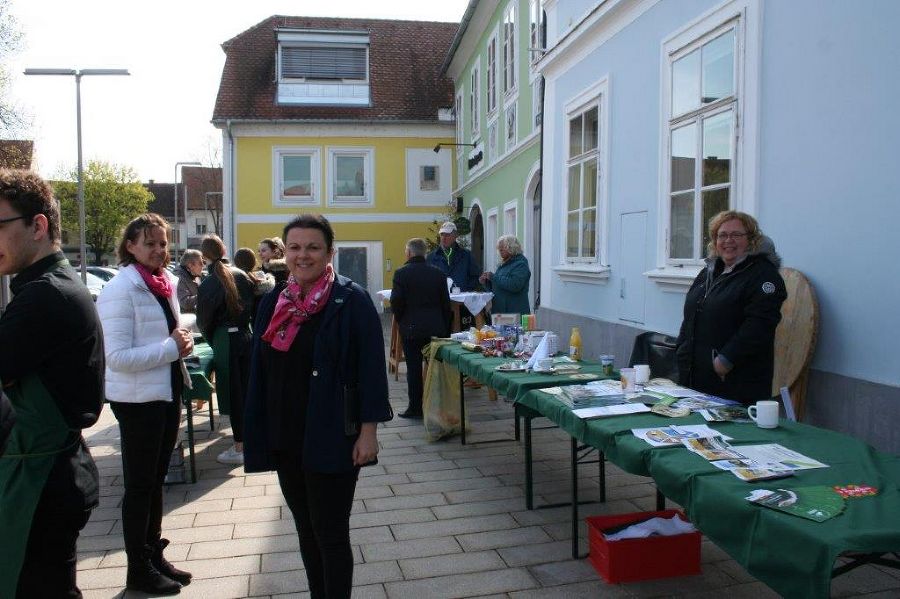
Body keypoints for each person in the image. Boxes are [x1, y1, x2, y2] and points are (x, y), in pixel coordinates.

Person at [244, 214, 393, 599]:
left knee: (330, 533)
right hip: (285, 434)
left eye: (313, 247)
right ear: (285, 251)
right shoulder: (274, 301)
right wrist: (255, 428)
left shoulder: (351, 300)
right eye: (294, 247)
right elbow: (260, 370)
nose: (302, 255)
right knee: (305, 531)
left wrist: (369, 432)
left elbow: (373, 371)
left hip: (333, 435)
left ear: (330, 252)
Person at [0, 169, 105, 598]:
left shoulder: (47, 294)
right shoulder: (43, 287)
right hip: (47, 473)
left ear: (38, 226)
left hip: (42, 481)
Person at [97, 213, 194, 595]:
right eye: (150, 243)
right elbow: (116, 356)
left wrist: (180, 338)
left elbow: (163, 332)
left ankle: (153, 554)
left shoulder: (162, 282)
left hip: (164, 392)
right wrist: (171, 347)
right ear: (131, 246)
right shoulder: (121, 288)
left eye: (163, 243)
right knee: (140, 486)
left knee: (155, 484)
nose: (158, 250)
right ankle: (137, 568)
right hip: (138, 401)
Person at [676, 210, 787, 405]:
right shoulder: (709, 271)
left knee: (728, 433)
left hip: (735, 381)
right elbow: (692, 314)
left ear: (751, 239)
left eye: (736, 235)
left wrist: (725, 361)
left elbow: (760, 325)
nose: (729, 240)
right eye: (722, 235)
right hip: (695, 377)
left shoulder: (763, 275)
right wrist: (682, 350)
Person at [197, 235, 255, 465]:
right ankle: (248, 441)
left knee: (235, 395)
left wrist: (213, 340)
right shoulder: (241, 275)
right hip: (245, 337)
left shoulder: (210, 281)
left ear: (204, 256)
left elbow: (204, 321)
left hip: (226, 341)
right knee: (247, 393)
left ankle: (240, 446)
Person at [391, 238, 452, 419]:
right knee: (435, 368)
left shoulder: (401, 273)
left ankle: (415, 408)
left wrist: (402, 320)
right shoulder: (438, 274)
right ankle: (438, 406)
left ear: (409, 253)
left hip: (412, 328)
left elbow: (396, 302)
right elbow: (445, 304)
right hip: (436, 328)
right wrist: (445, 328)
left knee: (414, 368)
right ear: (424, 253)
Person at [479, 234, 531, 315]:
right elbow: (498, 286)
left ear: (511, 248)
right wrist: (486, 282)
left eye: (502, 249)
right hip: (500, 312)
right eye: (499, 249)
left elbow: (515, 285)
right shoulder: (503, 264)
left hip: (514, 311)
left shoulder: (521, 264)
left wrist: (493, 277)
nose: (499, 251)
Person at [426, 221, 479, 292]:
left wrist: (465, 291)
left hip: (461, 299)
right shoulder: (431, 257)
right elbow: (427, 279)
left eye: (447, 235)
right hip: (439, 300)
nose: (443, 238)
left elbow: (475, 276)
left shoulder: (466, 255)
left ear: (455, 236)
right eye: (442, 234)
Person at [233, 247, 276, 322]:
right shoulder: (262, 278)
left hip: (239, 322)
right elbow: (269, 286)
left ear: (236, 263)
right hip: (259, 319)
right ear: (253, 262)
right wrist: (270, 277)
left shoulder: (232, 280)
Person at [174, 248, 204, 313]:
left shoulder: (195, 276)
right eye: (200, 263)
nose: (203, 266)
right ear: (190, 265)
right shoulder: (179, 278)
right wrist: (204, 295)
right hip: (185, 320)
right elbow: (185, 302)